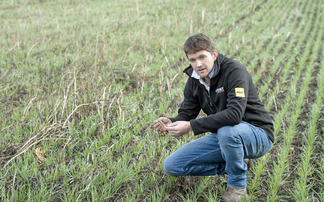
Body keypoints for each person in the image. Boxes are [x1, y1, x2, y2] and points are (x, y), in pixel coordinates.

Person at [153, 33, 274, 201]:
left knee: (227, 131)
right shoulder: (194, 81)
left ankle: (237, 186)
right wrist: (171, 122)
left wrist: (191, 126)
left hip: (258, 135)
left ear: (214, 55)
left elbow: (234, 115)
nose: (198, 64)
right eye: (193, 60)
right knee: (172, 165)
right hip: (226, 138)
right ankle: (237, 163)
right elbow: (187, 114)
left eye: (202, 57)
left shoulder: (234, 71)